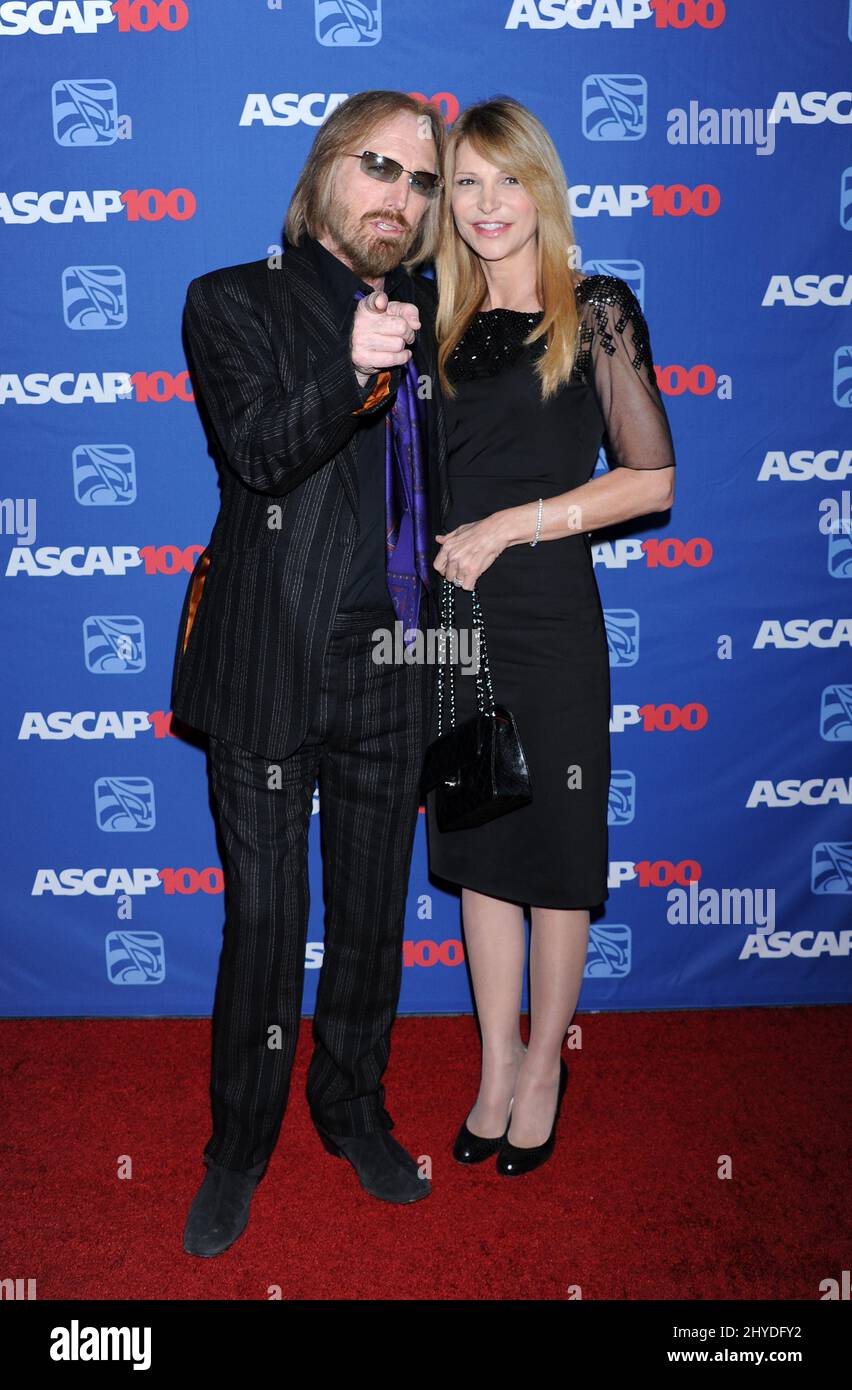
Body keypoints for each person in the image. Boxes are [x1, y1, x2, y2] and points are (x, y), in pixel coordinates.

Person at [171, 90, 450, 1256]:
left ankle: (353, 1103)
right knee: (267, 922)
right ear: (325, 170)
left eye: (423, 182)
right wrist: (349, 366)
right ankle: (240, 1142)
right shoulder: (230, 299)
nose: (403, 197)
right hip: (270, 662)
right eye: (380, 167)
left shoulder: (438, 306)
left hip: (395, 658)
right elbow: (258, 455)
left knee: (376, 910)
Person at [425, 97, 676, 1176]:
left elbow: (651, 479)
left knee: (559, 861)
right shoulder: (432, 316)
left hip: (550, 617)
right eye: (466, 184)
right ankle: (495, 1062)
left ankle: (543, 1070)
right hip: (454, 623)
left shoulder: (597, 308)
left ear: (542, 187)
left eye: (506, 181)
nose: (487, 206)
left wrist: (513, 523)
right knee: (482, 852)